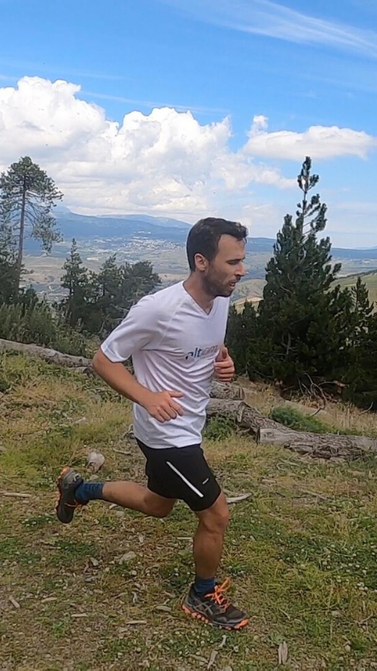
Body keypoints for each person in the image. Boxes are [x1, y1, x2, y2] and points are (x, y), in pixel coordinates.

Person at [55, 217, 249, 631]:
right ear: (201, 261)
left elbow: (206, 345)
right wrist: (147, 397)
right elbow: (103, 359)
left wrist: (223, 362)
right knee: (216, 514)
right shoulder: (158, 309)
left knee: (157, 505)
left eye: (242, 261)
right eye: (233, 262)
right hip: (166, 435)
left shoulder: (222, 299)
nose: (241, 271)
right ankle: (202, 596)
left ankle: (78, 488)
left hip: (189, 425)